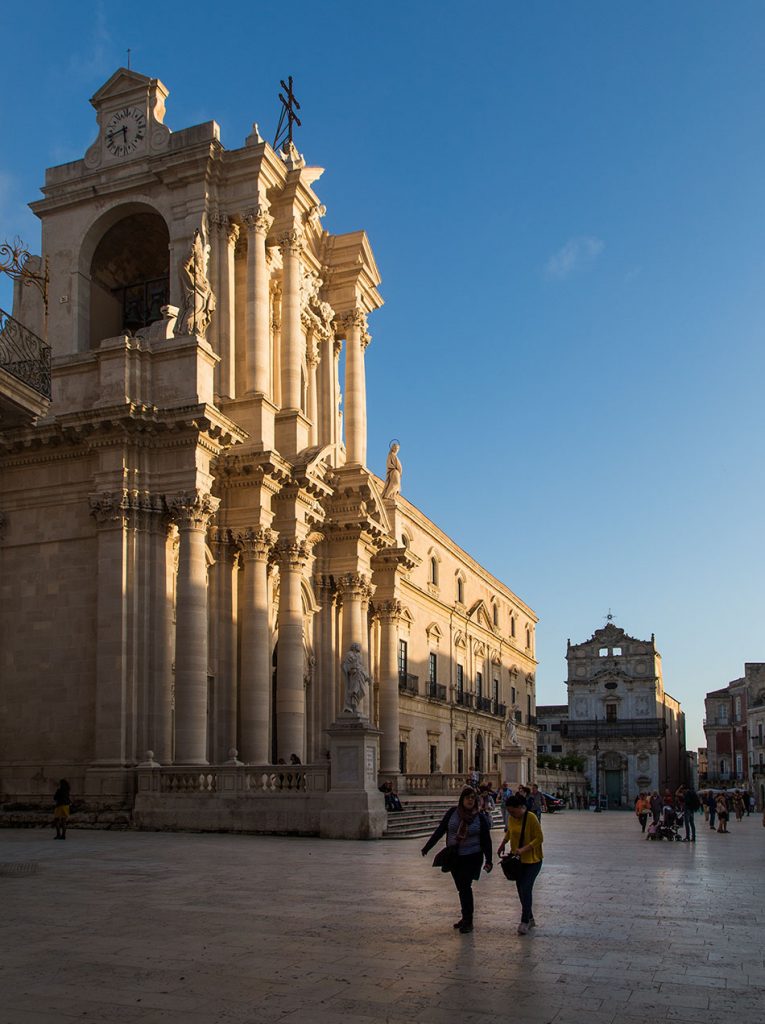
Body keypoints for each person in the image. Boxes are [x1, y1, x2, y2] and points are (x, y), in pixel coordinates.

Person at [421, 787, 493, 934]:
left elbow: (486, 840)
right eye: (467, 797)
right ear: (462, 799)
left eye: (473, 798)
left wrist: (489, 860)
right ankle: (465, 916)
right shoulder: (452, 813)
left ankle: (468, 920)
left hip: (472, 856)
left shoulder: (480, 818)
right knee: (461, 888)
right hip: (454, 856)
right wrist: (427, 847)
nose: (470, 800)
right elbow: (440, 831)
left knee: (466, 887)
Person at [498, 794, 544, 935]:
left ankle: (524, 921)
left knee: (526, 888)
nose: (511, 814)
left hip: (533, 860)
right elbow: (510, 832)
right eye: (509, 812)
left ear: (521, 808)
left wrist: (524, 849)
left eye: (513, 811)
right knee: (520, 890)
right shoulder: (512, 818)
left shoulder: (531, 818)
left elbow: (539, 838)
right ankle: (530, 917)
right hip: (518, 861)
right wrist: (503, 844)